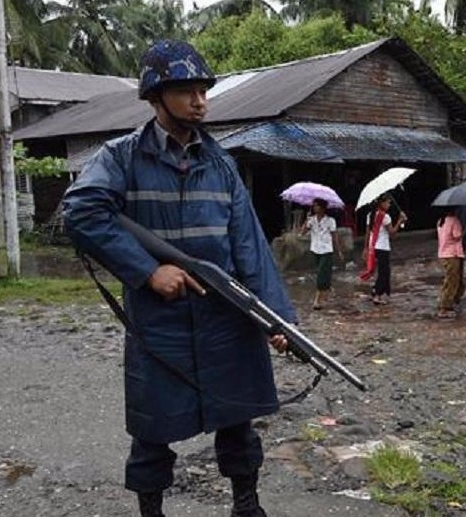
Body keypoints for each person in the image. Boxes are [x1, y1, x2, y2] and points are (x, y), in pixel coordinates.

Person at [61, 40, 293, 517]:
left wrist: (277, 321)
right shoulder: (121, 157)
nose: (200, 101)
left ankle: (246, 506)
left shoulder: (222, 164)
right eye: (186, 91)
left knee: (238, 423)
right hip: (159, 322)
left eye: (203, 90)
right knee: (152, 430)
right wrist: (147, 272)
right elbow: (81, 213)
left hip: (226, 315)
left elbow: (249, 246)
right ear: (155, 96)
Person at [361, 195, 407, 305]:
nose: (389, 205)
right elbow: (392, 233)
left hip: (373, 246)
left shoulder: (370, 215)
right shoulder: (385, 217)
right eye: (387, 202)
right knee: (384, 272)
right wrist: (400, 221)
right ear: (381, 203)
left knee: (382, 271)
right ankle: (378, 294)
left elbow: (367, 233)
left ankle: (376, 290)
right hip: (383, 247)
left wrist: (365, 247)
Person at [300, 199, 343, 310]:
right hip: (315, 249)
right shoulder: (311, 220)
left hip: (327, 250)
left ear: (323, 208)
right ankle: (325, 290)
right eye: (314, 206)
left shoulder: (330, 221)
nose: (315, 208)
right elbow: (302, 233)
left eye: (317, 206)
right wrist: (306, 220)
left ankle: (317, 300)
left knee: (321, 275)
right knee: (323, 273)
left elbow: (335, 236)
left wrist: (338, 250)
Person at [436, 207, 465, 318]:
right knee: (453, 281)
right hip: (453, 254)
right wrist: (464, 230)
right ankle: (445, 307)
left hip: (443, 253)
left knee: (449, 280)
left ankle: (448, 302)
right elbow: (456, 236)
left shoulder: (440, 221)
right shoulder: (454, 221)